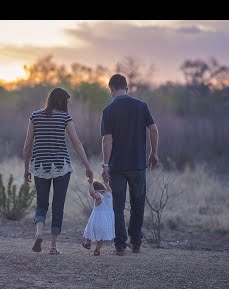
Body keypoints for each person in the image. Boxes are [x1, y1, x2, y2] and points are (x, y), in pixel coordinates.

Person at [23, 87, 93, 255]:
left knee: (41, 203)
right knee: (58, 205)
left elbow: (27, 145)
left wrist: (26, 168)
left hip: (39, 166)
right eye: (66, 102)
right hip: (61, 166)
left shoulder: (35, 116)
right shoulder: (64, 117)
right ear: (61, 101)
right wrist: (88, 166)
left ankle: (39, 233)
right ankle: (53, 247)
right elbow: (76, 143)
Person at [101, 74, 159, 256]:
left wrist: (105, 165)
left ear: (111, 89)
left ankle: (120, 245)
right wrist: (153, 153)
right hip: (138, 164)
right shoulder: (141, 106)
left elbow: (107, 139)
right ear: (127, 87)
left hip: (117, 166)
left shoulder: (108, 110)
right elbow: (154, 129)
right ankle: (136, 243)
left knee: (117, 206)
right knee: (138, 204)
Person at [82, 179, 115, 256]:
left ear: (96, 190)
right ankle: (97, 250)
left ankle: (88, 243)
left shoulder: (99, 197)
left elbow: (92, 193)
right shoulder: (109, 194)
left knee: (90, 230)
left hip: (97, 220)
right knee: (101, 236)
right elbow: (109, 189)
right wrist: (106, 182)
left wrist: (90, 183)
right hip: (107, 221)